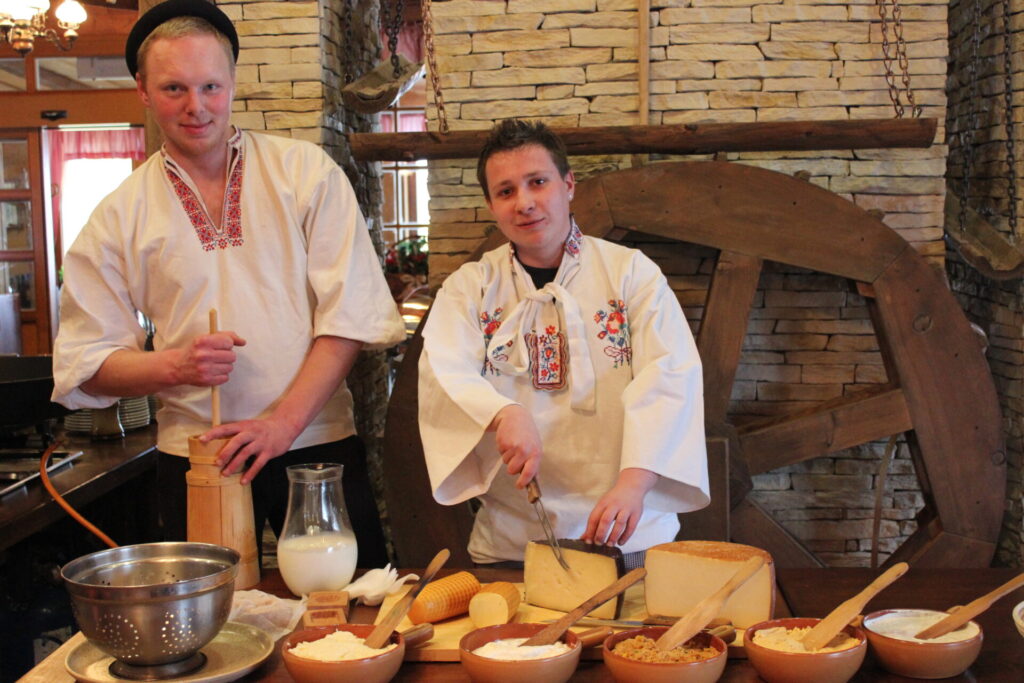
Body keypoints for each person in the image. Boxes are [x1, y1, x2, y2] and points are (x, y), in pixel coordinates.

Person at [51, 0, 405, 567]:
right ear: (142, 89)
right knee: (208, 628)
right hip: (197, 457)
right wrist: (174, 367)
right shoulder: (119, 215)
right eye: (174, 90)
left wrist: (280, 425)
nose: (197, 107)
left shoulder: (306, 174)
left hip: (315, 442)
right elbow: (87, 362)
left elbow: (350, 316)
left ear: (233, 81)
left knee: (354, 613)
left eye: (211, 86)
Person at [418, 119, 710, 565]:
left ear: (568, 185)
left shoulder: (630, 273)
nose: (525, 203)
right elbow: (442, 369)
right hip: (513, 541)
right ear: (492, 205)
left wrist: (634, 484)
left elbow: (670, 376)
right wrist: (503, 413)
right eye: (506, 191)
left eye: (538, 182)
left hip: (630, 530)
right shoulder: (471, 286)